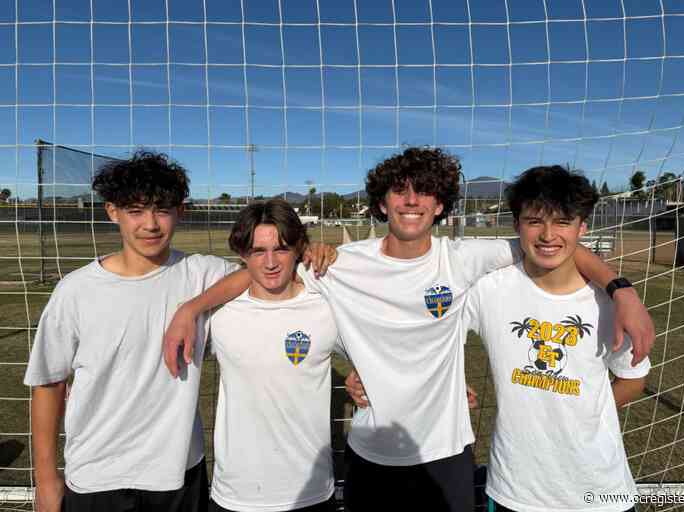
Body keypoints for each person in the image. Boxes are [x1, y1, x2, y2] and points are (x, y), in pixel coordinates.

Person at [164, 148, 655, 512]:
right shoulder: (340, 265)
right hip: (370, 454)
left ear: (441, 205)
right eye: (400, 190)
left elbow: (555, 241)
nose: (412, 200)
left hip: (447, 454)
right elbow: (263, 268)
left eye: (425, 191)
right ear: (382, 202)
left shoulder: (466, 260)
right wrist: (192, 308)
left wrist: (621, 289)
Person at [24, 151, 336, 512]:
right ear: (112, 212)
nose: (151, 224)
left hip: (178, 475)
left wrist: (191, 307)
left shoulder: (200, 273)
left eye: (162, 210)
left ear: (180, 212)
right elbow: (48, 383)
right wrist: (46, 480)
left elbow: (258, 267)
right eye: (136, 210)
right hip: (97, 476)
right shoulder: (75, 291)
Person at [464, 165, 649, 511]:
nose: (548, 235)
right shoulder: (489, 290)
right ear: (517, 225)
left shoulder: (608, 305)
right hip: (514, 491)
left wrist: (585, 410)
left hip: (600, 490)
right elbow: (436, 333)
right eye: (534, 221)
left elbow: (633, 379)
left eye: (563, 222)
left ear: (583, 227)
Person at [206, 200, 341, 512]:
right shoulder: (220, 313)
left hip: (311, 492)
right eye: (258, 251)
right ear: (243, 255)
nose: (270, 263)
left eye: (281, 249)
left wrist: (359, 380)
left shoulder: (325, 306)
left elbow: (371, 355)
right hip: (236, 496)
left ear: (298, 250)